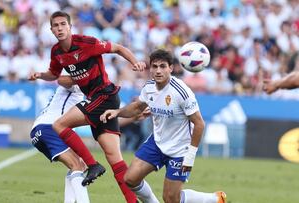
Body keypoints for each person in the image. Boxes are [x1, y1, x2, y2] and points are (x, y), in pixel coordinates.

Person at [28, 11, 145, 203]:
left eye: (63, 24)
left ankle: (92, 165)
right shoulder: (57, 52)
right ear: (51, 30)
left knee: (59, 125)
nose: (59, 28)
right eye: (55, 25)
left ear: (70, 27)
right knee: (116, 160)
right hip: (97, 100)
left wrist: (136, 62)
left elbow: (117, 48)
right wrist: (40, 75)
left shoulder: (86, 43)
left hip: (104, 95)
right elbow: (54, 74)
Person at [100, 49, 227, 203]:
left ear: (171, 68)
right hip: (158, 142)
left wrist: (190, 156)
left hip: (180, 149)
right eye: (154, 66)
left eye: (162, 66)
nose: (158, 71)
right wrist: (117, 112)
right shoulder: (149, 87)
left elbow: (199, 124)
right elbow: (138, 107)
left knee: (171, 199)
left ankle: (214, 199)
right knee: (130, 179)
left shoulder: (181, 92)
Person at [30, 74, 90, 203]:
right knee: (76, 165)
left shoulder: (83, 93)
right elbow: (61, 80)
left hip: (44, 130)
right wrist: (85, 77)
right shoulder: (75, 87)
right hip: (49, 128)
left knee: (80, 165)